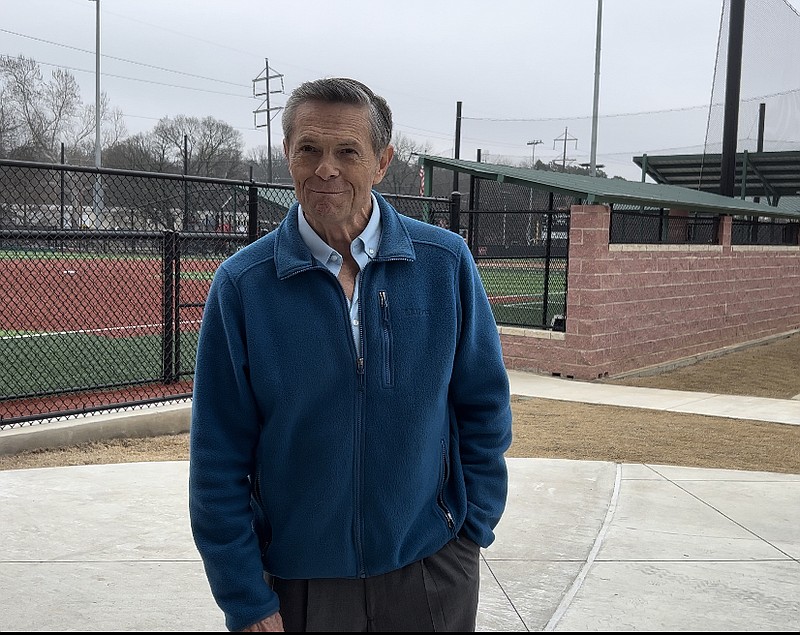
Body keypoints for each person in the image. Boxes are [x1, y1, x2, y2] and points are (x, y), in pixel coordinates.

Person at [188, 77, 513, 632]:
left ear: (383, 161)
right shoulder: (242, 286)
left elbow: (484, 408)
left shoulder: (445, 264)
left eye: (348, 151)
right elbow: (218, 456)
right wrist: (244, 594)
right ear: (287, 155)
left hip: (430, 569)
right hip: (299, 584)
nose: (326, 169)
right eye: (308, 149)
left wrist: (469, 528)